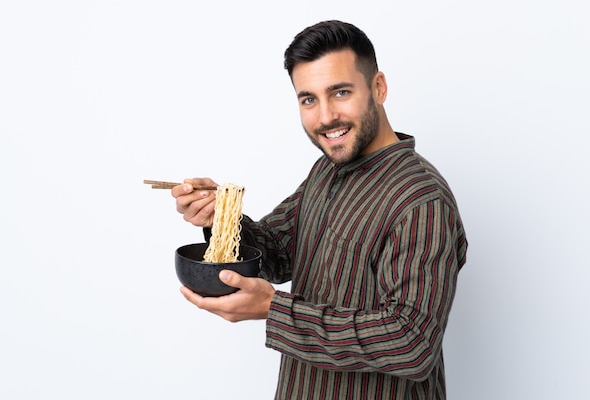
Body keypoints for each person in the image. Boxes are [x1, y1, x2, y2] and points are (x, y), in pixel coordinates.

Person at [172, 20, 468, 400]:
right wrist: (219, 219)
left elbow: (411, 344)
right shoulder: (327, 171)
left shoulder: (420, 200)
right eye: (308, 99)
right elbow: (275, 255)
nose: (326, 117)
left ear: (378, 87)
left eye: (340, 92)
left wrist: (275, 311)